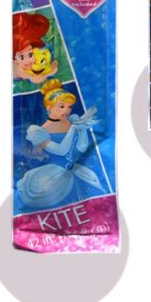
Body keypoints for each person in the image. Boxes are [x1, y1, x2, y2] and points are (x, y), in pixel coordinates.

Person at [17, 78, 101, 209]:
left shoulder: (71, 121)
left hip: (77, 171)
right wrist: (73, 129)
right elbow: (61, 151)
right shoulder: (38, 131)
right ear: (49, 108)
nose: (66, 110)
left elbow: (81, 148)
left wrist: (82, 129)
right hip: (52, 177)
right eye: (62, 106)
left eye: (69, 107)